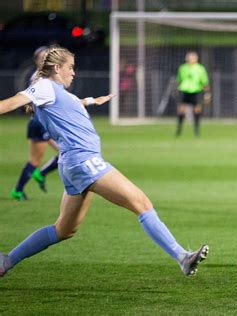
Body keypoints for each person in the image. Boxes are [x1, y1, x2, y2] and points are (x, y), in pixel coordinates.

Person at [0, 46, 209, 278]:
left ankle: (6, 260)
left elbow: (71, 103)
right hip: (83, 160)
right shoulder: (44, 87)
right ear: (57, 68)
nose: (74, 73)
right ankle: (182, 257)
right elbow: (8, 104)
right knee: (142, 203)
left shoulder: (56, 91)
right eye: (70, 67)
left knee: (64, 230)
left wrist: (92, 100)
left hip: (71, 164)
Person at [11, 46, 59, 201]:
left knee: (66, 150)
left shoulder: (46, 77)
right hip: (40, 124)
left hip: (40, 123)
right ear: (37, 61)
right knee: (38, 160)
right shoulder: (40, 78)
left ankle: (38, 176)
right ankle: (19, 189)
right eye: (42, 58)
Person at [175, 51, 210, 137]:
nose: (190, 59)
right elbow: (178, 81)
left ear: (196, 59)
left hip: (196, 91)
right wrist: (177, 90)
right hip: (184, 90)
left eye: (192, 57)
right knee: (181, 110)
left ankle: (196, 131)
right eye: (189, 57)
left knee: (197, 110)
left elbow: (204, 82)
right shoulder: (182, 68)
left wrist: (207, 94)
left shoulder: (200, 69)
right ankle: (179, 130)